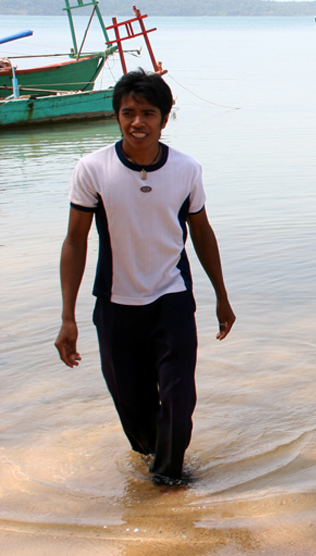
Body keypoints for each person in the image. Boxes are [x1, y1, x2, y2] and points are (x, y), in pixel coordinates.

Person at [54, 69, 236, 486]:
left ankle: (168, 481)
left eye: (148, 113)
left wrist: (221, 297)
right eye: (128, 113)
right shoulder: (92, 170)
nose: (138, 122)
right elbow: (75, 241)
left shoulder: (186, 169)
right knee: (131, 404)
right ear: (116, 116)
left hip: (171, 299)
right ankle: (154, 456)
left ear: (165, 119)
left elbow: (202, 233)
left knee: (177, 396)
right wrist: (68, 316)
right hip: (116, 304)